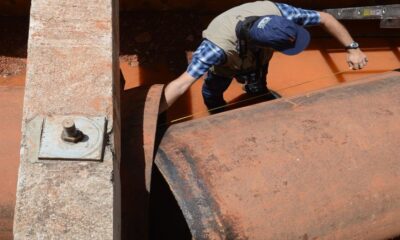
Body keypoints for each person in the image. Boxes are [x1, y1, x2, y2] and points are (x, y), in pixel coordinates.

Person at [160, 1, 368, 112]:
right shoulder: (215, 49)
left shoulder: (280, 12)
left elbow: (325, 17)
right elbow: (180, 84)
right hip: (226, 65)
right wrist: (151, 117)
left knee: (259, 79)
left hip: (258, 60)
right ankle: (216, 111)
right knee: (213, 90)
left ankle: (256, 90)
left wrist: (353, 48)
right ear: (260, 44)